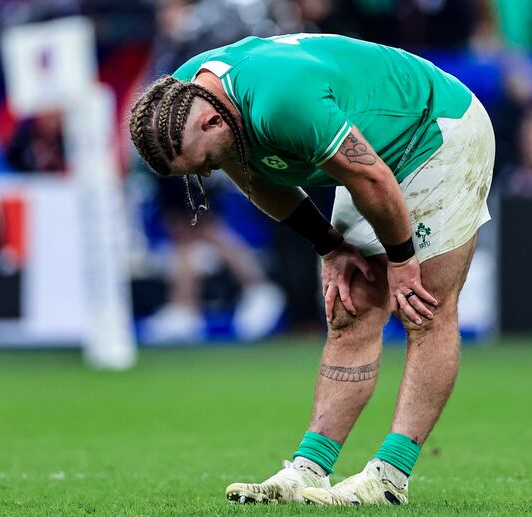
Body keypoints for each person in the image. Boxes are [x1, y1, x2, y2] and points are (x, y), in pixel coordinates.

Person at [128, 33, 495, 506]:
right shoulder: (184, 100)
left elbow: (371, 177)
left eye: (203, 164)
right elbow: (252, 175)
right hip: (369, 150)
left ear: (214, 119)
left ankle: (389, 477)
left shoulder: (281, 103)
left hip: (434, 131)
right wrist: (330, 247)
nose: (204, 175)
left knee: (424, 306)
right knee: (351, 304)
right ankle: (309, 470)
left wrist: (403, 261)